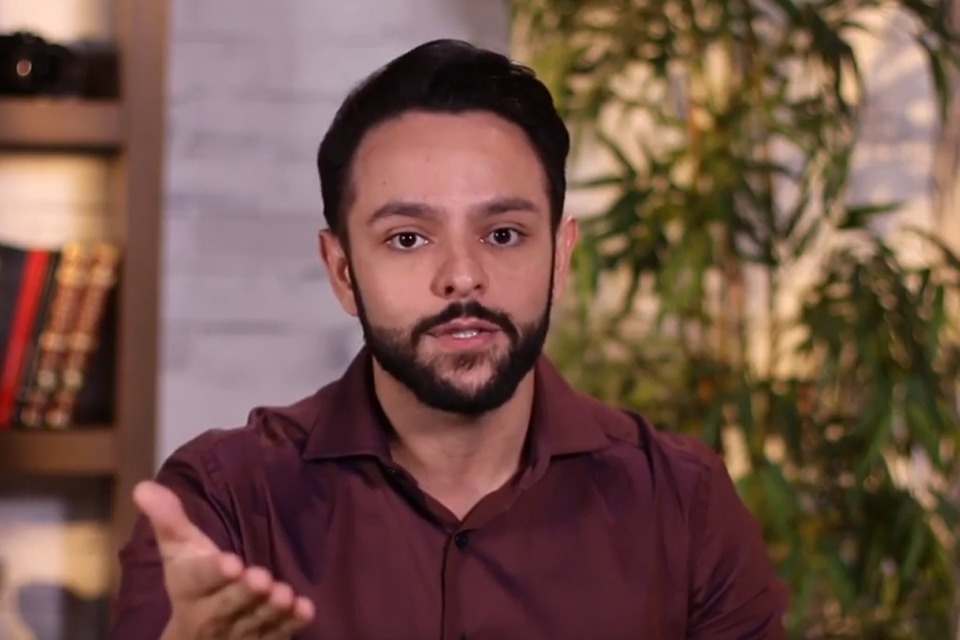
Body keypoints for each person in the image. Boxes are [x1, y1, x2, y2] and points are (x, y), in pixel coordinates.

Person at [108, 38, 789, 640]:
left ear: (560, 257)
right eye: (408, 238)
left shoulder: (682, 503)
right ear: (342, 271)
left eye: (504, 234)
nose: (463, 276)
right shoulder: (225, 505)